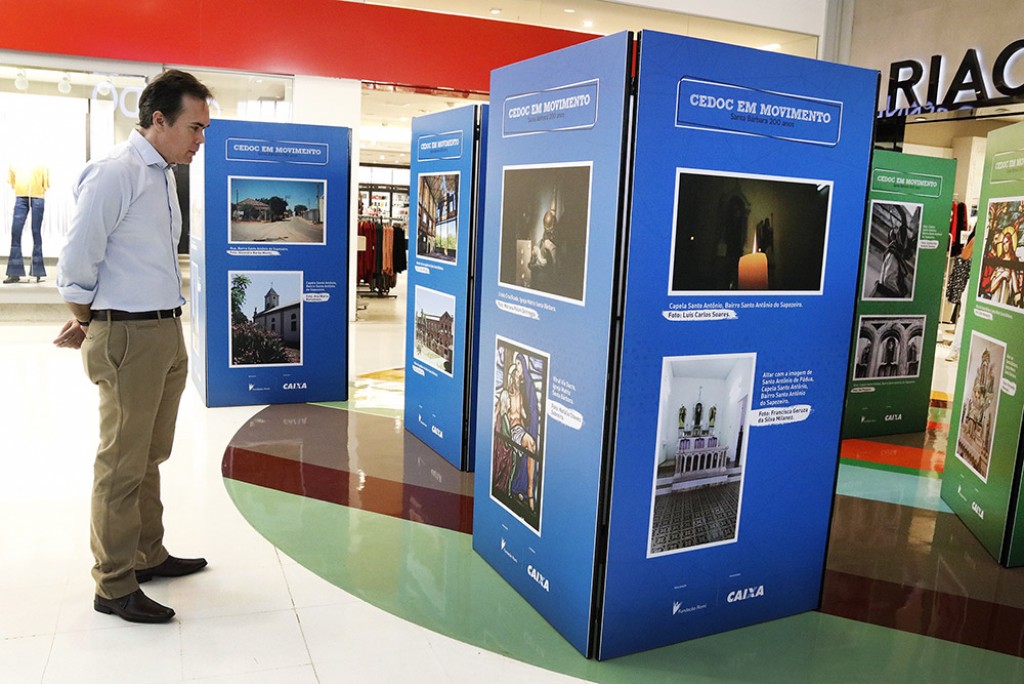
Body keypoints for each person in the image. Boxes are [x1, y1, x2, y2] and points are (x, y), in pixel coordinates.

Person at [52, 70, 212, 624]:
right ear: (159, 119)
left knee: (149, 454)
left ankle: (147, 553)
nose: (200, 140)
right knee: (122, 462)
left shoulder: (164, 175)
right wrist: (91, 320)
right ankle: (113, 583)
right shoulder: (114, 174)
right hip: (129, 336)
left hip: (164, 332)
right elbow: (75, 266)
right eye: (195, 127)